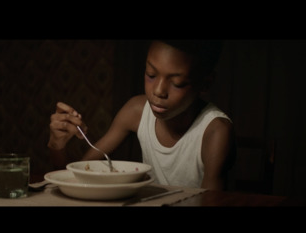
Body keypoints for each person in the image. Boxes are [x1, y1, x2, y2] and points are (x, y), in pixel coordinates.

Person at [47, 40, 236, 191]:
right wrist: (58, 145)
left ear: (205, 83)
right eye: (151, 74)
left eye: (177, 83)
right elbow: (76, 176)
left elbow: (213, 201)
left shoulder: (214, 131)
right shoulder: (136, 111)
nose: (159, 91)